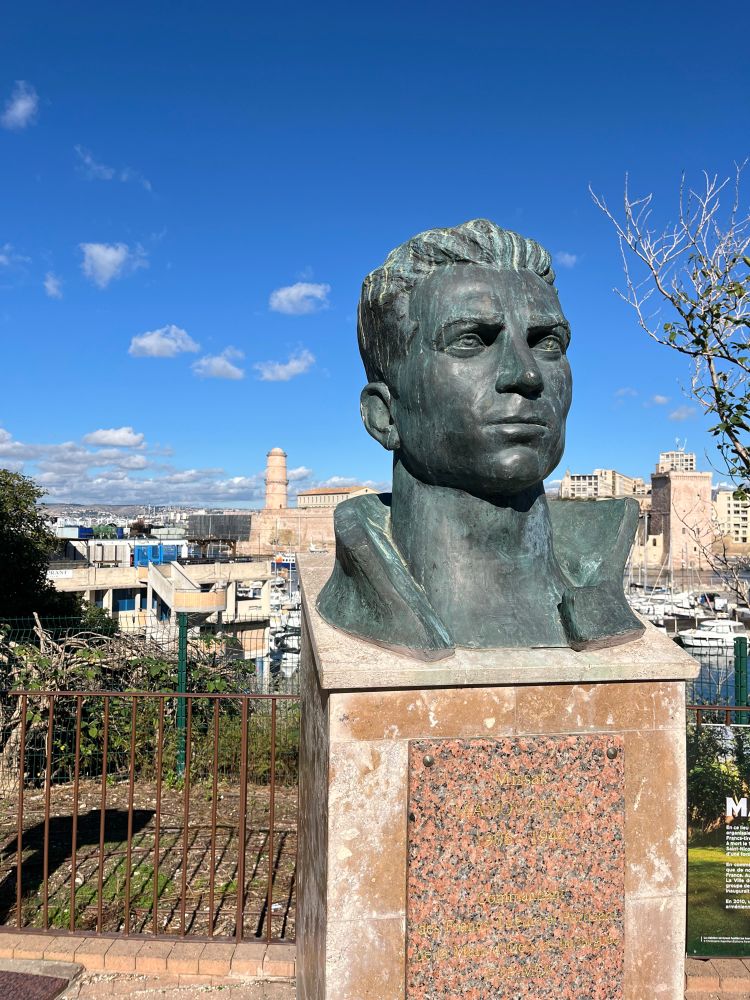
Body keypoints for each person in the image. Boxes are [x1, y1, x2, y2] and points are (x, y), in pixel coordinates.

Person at [317, 219, 643, 656]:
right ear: (384, 415)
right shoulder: (362, 585)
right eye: (470, 340)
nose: (527, 375)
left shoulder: (599, 554)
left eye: (547, 342)